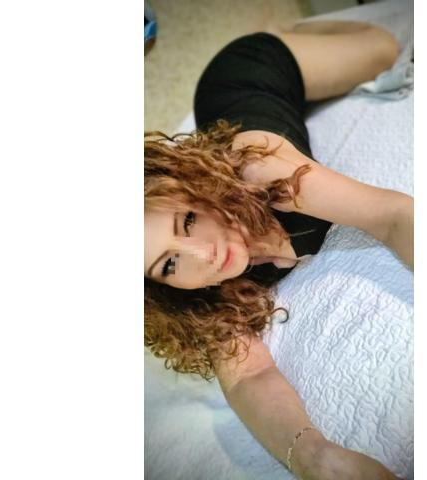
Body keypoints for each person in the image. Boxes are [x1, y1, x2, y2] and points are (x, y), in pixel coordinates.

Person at [144, 20, 411, 480]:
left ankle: (281, 31)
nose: (203, 255)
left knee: (385, 50)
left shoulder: (261, 169)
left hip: (243, 74)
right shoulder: (197, 295)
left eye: (187, 221)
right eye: (169, 263)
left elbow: (391, 216)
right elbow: (249, 377)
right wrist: (315, 457)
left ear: (191, 187)